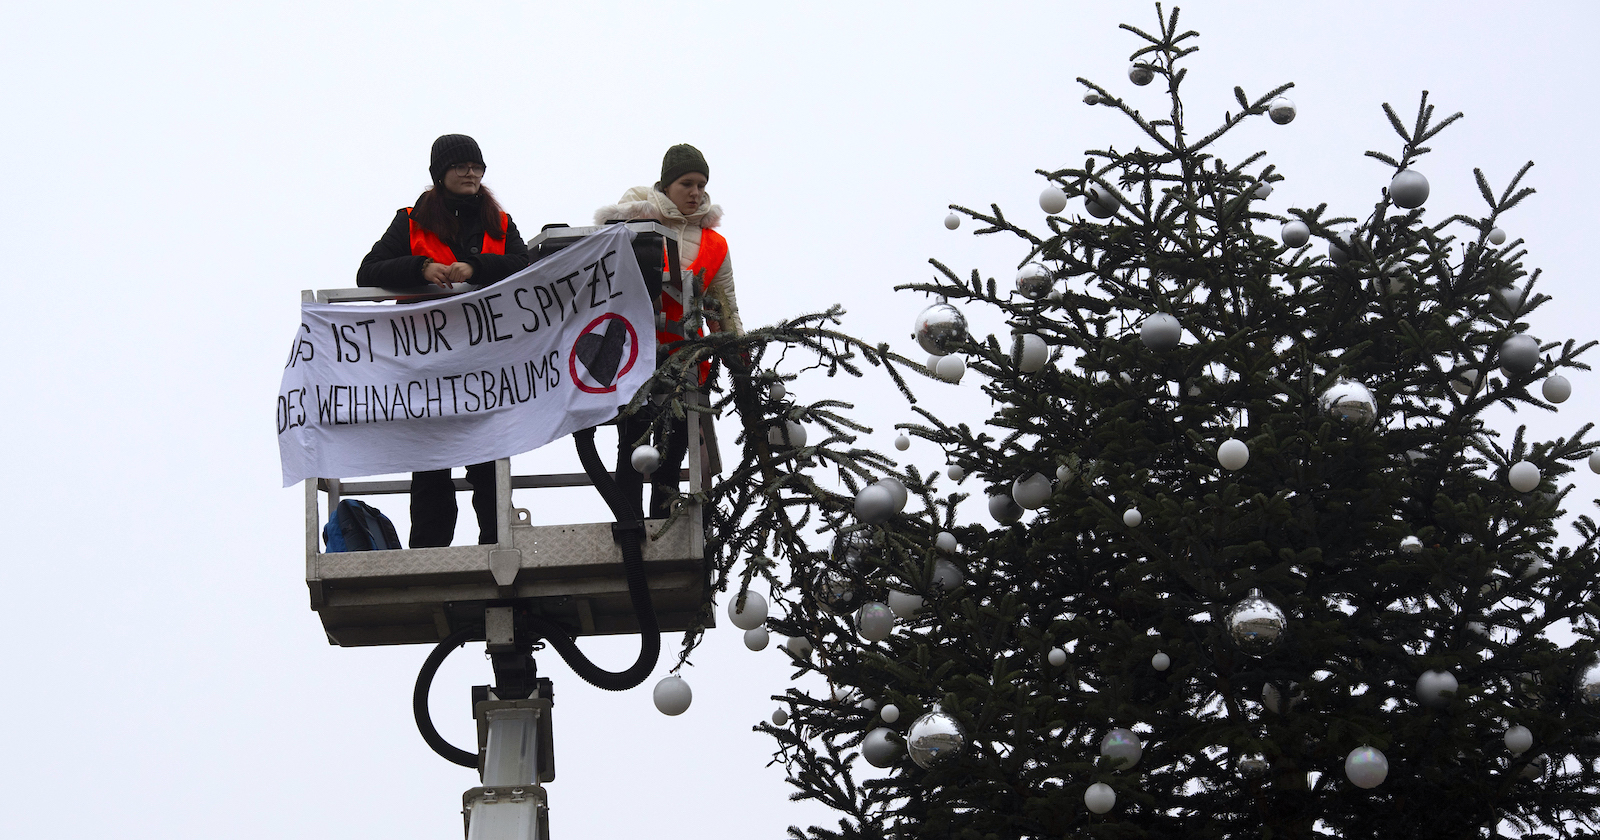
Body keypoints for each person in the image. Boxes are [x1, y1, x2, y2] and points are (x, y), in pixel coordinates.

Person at [358, 134, 530, 546]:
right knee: (431, 466)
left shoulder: (501, 222)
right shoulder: (410, 220)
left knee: (488, 464)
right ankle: (429, 553)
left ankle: (496, 546)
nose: (471, 173)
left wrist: (475, 267)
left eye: (477, 167)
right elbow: (369, 271)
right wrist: (422, 268)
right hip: (427, 367)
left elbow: (525, 267)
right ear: (440, 173)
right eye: (461, 167)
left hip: (483, 364)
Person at [594, 143, 743, 520]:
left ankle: (663, 523)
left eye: (701, 185)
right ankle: (627, 527)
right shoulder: (633, 226)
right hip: (635, 355)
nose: (696, 193)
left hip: (688, 362)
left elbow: (725, 306)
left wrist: (740, 353)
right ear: (666, 185)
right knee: (632, 443)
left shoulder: (715, 244)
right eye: (686, 184)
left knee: (674, 448)